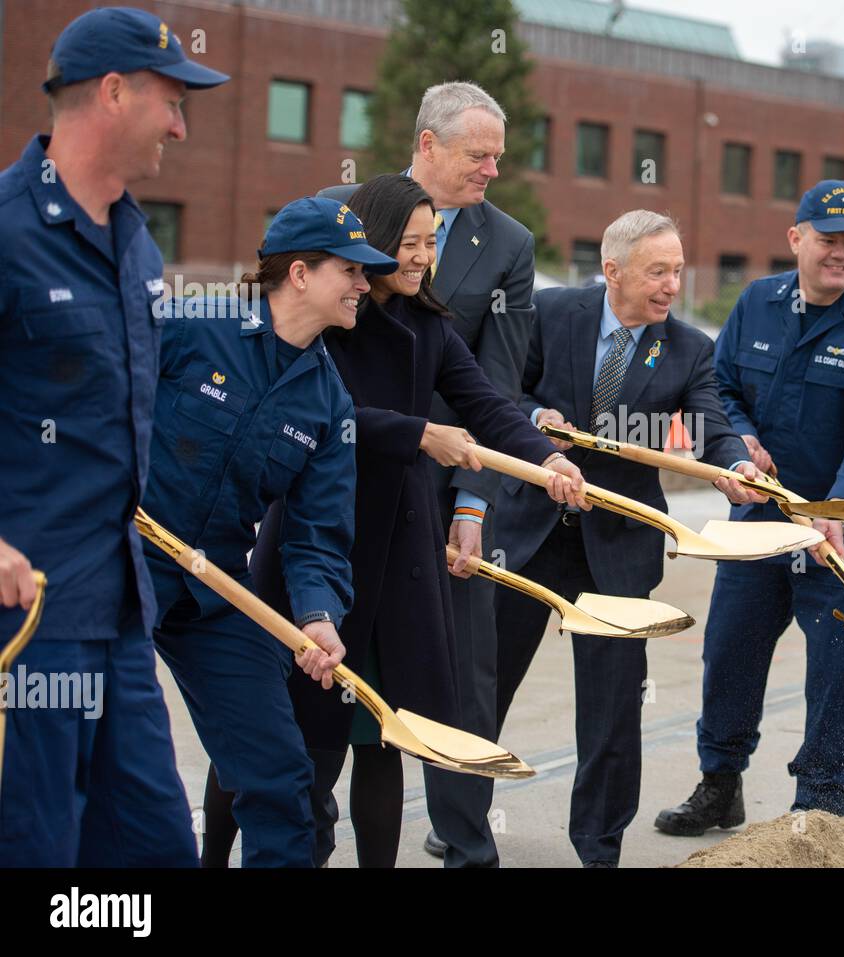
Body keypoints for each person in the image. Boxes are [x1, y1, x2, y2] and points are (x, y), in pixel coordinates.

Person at [247, 174, 586, 868]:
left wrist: (548, 460)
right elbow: (320, 412)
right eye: (408, 243)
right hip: (319, 544)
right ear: (368, 242)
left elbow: (488, 404)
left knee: (382, 733)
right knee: (298, 738)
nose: (422, 257)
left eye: (432, 242)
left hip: (399, 553)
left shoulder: (429, 324)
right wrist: (418, 433)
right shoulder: (331, 314)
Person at [0, 6, 227, 867]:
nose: (179, 123)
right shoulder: (9, 229)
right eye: (172, 100)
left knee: (153, 843)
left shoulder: (138, 245)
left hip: (119, 610)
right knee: (36, 843)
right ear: (113, 90)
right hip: (25, 623)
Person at [495, 210, 767, 867]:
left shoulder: (688, 349)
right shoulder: (551, 312)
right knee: (485, 683)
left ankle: (598, 844)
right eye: (657, 270)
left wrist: (733, 465)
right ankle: (461, 818)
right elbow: (501, 389)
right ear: (612, 270)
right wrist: (536, 420)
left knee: (613, 708)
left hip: (616, 547)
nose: (672, 284)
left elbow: (711, 425)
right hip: (526, 533)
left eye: (677, 270)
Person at [655, 180, 844, 836]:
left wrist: (837, 508)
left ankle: (820, 808)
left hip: (840, 538)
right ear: (796, 238)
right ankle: (720, 783)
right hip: (760, 524)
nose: (842, 253)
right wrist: (736, 434)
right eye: (829, 239)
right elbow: (720, 385)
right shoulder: (757, 303)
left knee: (837, 668)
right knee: (729, 650)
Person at [144, 196, 395, 867]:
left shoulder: (328, 400)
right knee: (116, 759)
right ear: (300, 273)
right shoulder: (190, 326)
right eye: (351, 270)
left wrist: (317, 616)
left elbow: (317, 534)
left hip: (216, 587)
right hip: (123, 562)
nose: (365, 286)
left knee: (285, 780)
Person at [323, 81, 537, 868]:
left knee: (454, 680)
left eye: (498, 158)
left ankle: (466, 841)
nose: (491, 170)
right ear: (427, 145)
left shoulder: (508, 244)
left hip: (446, 491)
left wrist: (487, 497)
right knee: (320, 702)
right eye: (478, 155)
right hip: (339, 495)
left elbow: (495, 383)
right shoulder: (338, 210)